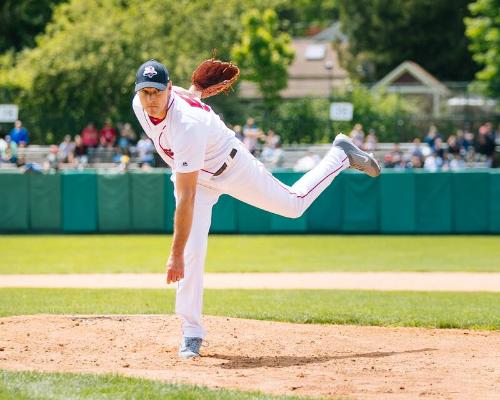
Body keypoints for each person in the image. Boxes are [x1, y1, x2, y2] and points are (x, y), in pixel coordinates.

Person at [131, 59, 381, 359]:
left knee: (293, 206)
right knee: (192, 252)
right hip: (197, 177)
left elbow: (185, 198)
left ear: (168, 89)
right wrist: (195, 91)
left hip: (230, 166)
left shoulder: (188, 125)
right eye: (145, 92)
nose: (151, 99)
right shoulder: (141, 104)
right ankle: (191, 332)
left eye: (157, 92)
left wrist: (173, 256)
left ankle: (340, 155)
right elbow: (177, 97)